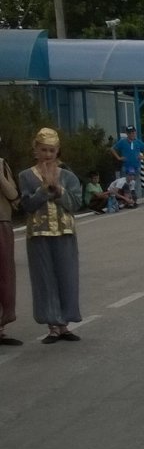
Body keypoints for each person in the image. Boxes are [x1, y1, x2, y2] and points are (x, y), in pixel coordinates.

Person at [17, 128, 84, 343]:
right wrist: (44, 190)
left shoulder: (68, 176)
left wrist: (60, 191)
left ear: (57, 151)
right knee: (44, 279)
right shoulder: (26, 176)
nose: (48, 154)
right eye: (44, 150)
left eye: (52, 150)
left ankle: (64, 324)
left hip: (64, 231)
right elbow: (26, 205)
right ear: (36, 150)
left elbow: (75, 204)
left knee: (67, 276)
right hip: (39, 234)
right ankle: (52, 325)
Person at [0, 142, 21, 345]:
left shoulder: (1, 164)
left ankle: (2, 326)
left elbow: (13, 194)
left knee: (4, 273)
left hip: (1, 222)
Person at [111, 126, 144, 199]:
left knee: (135, 183)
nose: (132, 134)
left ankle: (134, 198)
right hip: (126, 166)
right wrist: (118, 158)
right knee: (123, 183)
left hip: (136, 166)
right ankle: (123, 198)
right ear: (127, 133)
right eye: (130, 133)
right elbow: (112, 149)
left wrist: (143, 157)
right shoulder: (122, 141)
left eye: (133, 132)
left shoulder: (137, 142)